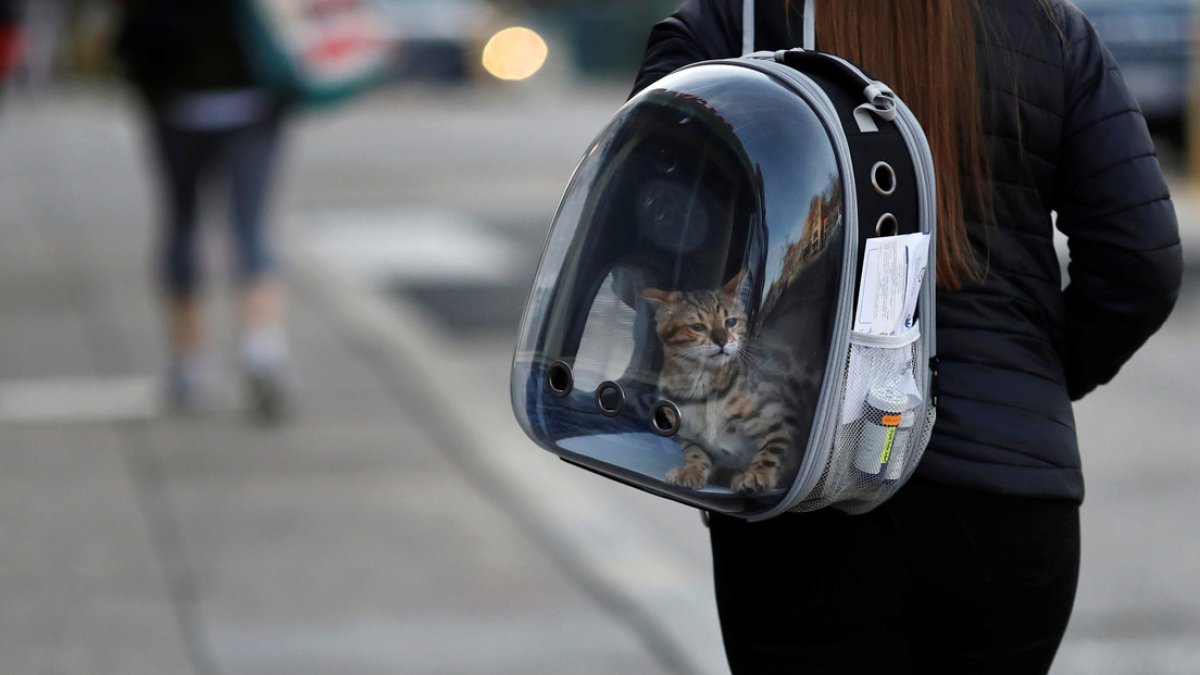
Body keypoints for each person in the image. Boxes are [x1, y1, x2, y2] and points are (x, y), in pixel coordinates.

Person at [631, 0, 1183, 672]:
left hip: (799, 496)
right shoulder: (1048, 27)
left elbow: (644, 237)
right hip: (1004, 496)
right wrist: (1030, 385)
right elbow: (1140, 262)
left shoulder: (731, 23)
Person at [116, 0, 292, 421]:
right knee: (250, 227)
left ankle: (189, 365)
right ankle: (261, 349)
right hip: (251, 96)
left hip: (178, 98)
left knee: (182, 224)